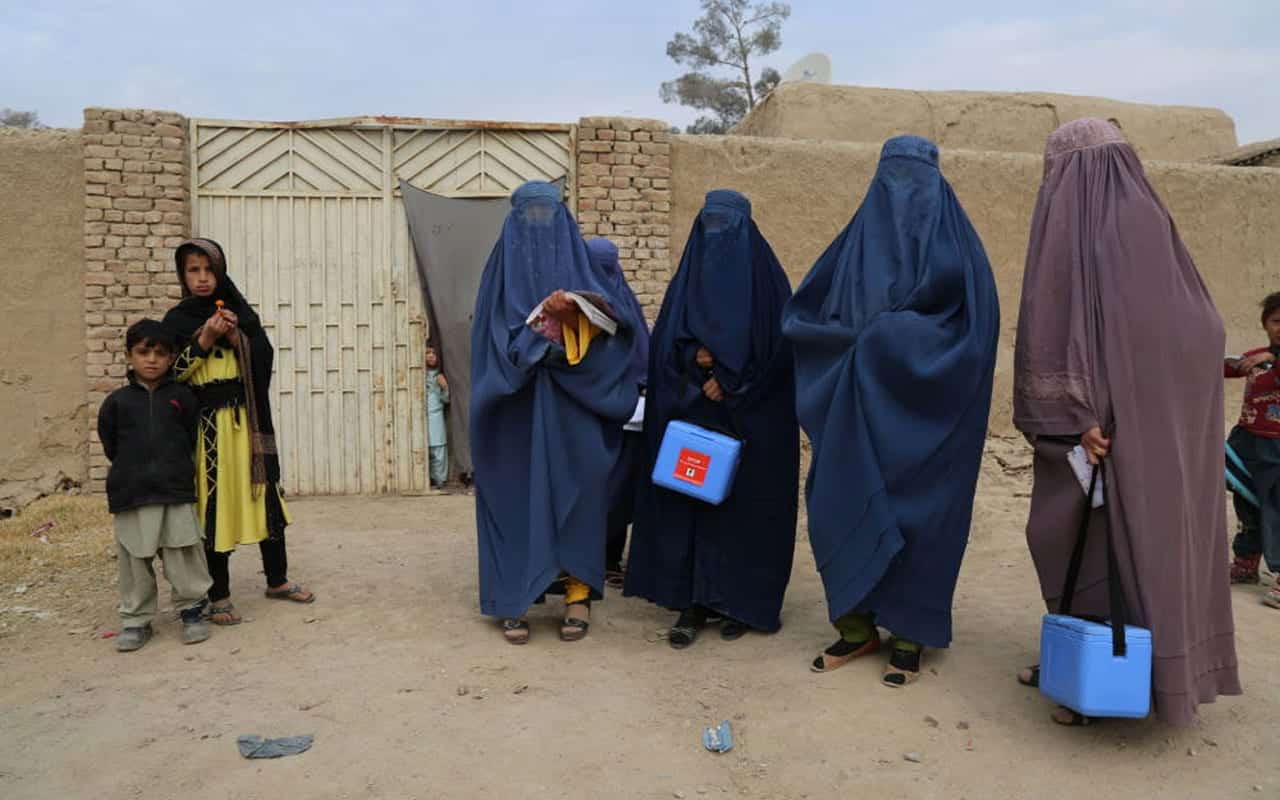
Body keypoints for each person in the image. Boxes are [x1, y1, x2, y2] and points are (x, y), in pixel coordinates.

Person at [1012, 118, 1241, 726]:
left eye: (1059, 171)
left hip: (1116, 433)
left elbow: (1173, 328)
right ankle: (1089, 662)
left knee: (1124, 548)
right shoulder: (1136, 222)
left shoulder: (1122, 229)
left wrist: (1099, 408)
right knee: (1067, 539)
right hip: (1104, 431)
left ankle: (1124, 680)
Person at [782, 136, 1000, 687]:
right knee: (838, 506)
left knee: (923, 523)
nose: (901, 194)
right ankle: (856, 629)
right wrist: (852, 349)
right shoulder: (851, 246)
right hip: (851, 414)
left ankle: (908, 634)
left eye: (914, 180)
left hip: (930, 421)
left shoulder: (961, 251)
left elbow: (974, 335)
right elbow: (805, 318)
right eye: (891, 180)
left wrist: (888, 339)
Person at [470, 181, 646, 644]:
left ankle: (577, 595)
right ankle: (516, 598)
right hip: (516, 413)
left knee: (579, 499)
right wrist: (537, 338)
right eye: (529, 219)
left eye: (549, 219)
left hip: (575, 412)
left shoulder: (586, 278)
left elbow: (617, 346)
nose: (539, 232)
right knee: (517, 501)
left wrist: (572, 321)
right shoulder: (498, 279)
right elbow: (492, 349)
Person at [624, 189, 799, 649]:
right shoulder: (684, 287)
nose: (718, 235)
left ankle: (739, 602)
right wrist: (694, 363)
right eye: (711, 225)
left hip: (752, 423)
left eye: (729, 226)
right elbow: (664, 349)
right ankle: (691, 602)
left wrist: (733, 380)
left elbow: (782, 353)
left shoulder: (769, 286)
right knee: (691, 507)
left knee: (747, 512)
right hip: (694, 419)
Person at [163, 238, 314, 627]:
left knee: (265, 498)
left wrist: (237, 340)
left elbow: (263, 362)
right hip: (208, 428)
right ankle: (220, 595)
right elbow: (171, 374)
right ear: (182, 275)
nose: (201, 278)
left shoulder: (240, 313)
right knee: (217, 505)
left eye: (208, 269)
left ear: (220, 271)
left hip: (248, 422)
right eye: (192, 270)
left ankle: (277, 581)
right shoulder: (177, 321)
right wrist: (205, 340)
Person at [97, 319, 213, 652]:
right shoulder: (116, 403)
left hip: (174, 489)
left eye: (160, 353)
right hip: (132, 493)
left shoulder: (182, 397)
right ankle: (136, 620)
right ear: (129, 355)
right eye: (143, 352)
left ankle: (192, 610)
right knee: (134, 558)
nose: (151, 359)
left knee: (183, 551)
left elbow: (192, 437)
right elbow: (110, 445)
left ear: (172, 356)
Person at [585, 237, 650, 587]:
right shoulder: (583, 306)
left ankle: (610, 559)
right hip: (592, 415)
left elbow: (643, 354)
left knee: (620, 488)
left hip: (626, 416)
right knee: (598, 487)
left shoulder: (626, 307)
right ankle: (589, 559)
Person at [1224, 291, 1280, 604]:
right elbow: (1229, 367)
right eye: (1276, 321)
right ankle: (1246, 563)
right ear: (1265, 324)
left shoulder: (1268, 359)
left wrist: (1273, 358)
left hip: (1276, 449)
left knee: (1276, 507)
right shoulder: (1257, 357)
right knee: (1247, 501)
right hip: (1247, 441)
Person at [425, 344, 450, 490]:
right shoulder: (418, 375)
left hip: (436, 415)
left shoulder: (439, 376)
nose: (431, 356)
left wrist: (445, 387)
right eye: (427, 353)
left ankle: (439, 479)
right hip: (422, 416)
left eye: (433, 353)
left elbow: (446, 400)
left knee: (438, 448)